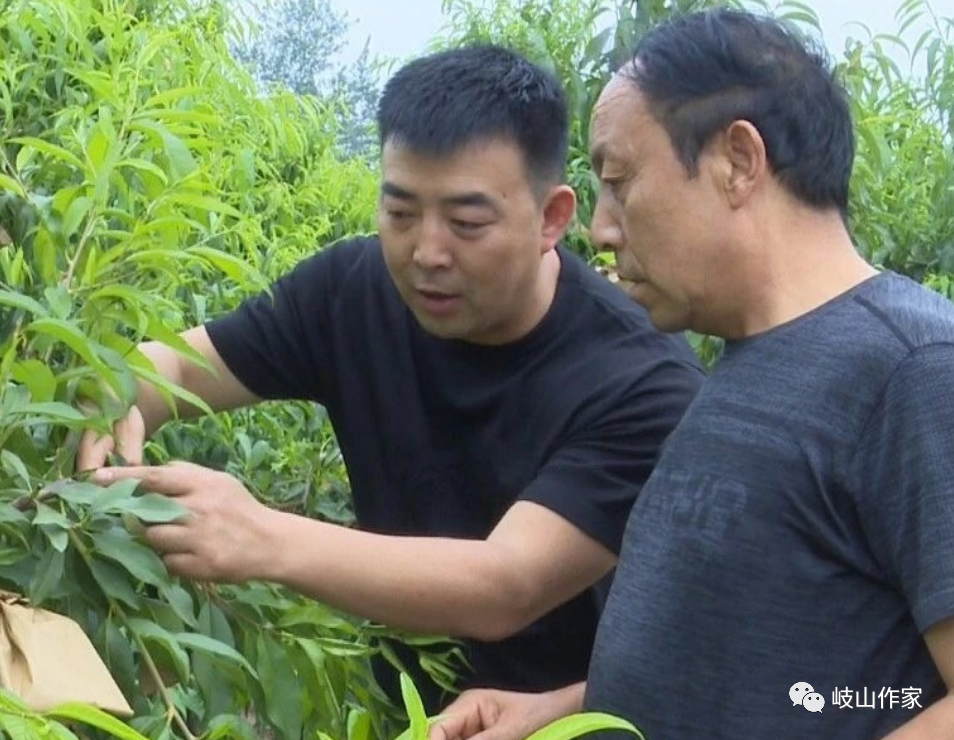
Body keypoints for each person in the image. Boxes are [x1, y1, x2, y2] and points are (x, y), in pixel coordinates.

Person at [78, 45, 703, 711]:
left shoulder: (642, 383)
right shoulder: (352, 290)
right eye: (400, 213)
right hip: (398, 712)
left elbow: (504, 586)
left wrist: (259, 536)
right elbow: (176, 366)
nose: (426, 253)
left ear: (552, 218)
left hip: (559, 720)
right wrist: (114, 392)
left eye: (467, 223)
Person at [428, 8, 954, 740]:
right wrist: (566, 706)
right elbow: (775, 670)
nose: (601, 226)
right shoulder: (748, 361)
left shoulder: (915, 371)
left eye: (619, 179)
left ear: (738, 162)